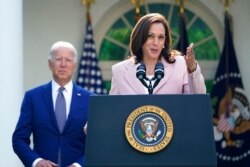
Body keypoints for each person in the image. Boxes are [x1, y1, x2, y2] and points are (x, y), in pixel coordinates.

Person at [12, 41, 93, 167]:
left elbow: (99, 142)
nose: (63, 65)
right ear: (50, 64)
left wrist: (79, 165)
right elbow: (19, 139)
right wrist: (36, 161)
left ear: (75, 65)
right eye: (58, 59)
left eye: (68, 60)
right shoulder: (33, 97)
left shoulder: (90, 99)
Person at [109, 13, 206, 95]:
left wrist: (192, 68)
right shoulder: (119, 71)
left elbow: (197, 99)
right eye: (150, 36)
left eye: (161, 37)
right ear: (140, 38)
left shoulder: (180, 64)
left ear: (165, 41)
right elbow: (113, 110)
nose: (156, 43)